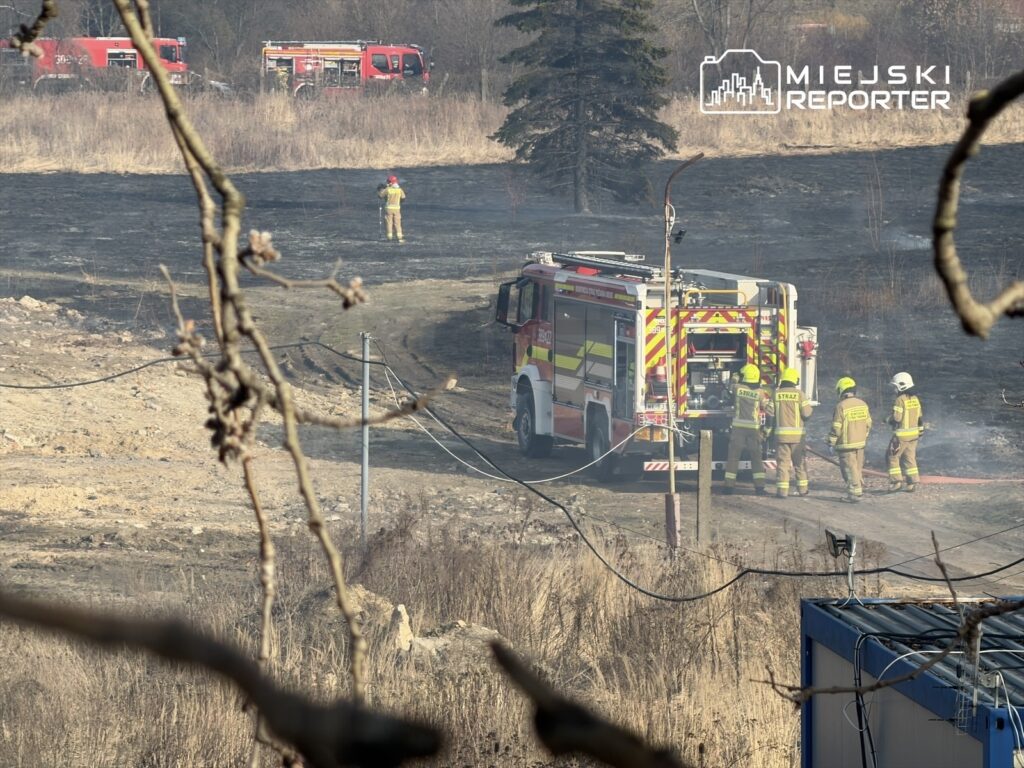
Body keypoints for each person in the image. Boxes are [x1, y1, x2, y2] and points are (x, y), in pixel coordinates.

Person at [724, 363, 770, 495]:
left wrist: (735, 377)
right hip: (754, 429)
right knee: (756, 457)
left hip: (738, 428)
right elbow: (768, 409)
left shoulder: (737, 388)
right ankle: (760, 487)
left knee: (733, 457)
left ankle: (728, 487)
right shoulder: (760, 393)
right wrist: (767, 429)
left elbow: (731, 387)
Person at [769, 367, 813, 498]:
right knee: (799, 464)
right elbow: (807, 414)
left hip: (781, 437)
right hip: (798, 438)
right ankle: (803, 490)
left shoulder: (776, 394)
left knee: (783, 464)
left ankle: (782, 492)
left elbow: (769, 412)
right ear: (795, 380)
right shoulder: (800, 394)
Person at [827, 376, 872, 503]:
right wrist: (863, 436)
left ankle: (854, 494)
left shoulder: (841, 406)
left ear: (841, 390)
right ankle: (858, 489)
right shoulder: (863, 404)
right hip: (860, 444)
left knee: (849, 470)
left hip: (846, 445)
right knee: (857, 469)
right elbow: (868, 423)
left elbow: (836, 427)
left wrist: (831, 442)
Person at [887, 371, 924, 492]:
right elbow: (919, 417)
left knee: (892, 457)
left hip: (901, 436)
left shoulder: (900, 400)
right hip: (914, 436)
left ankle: (896, 482)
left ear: (901, 386)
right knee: (909, 458)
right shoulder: (915, 399)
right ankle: (912, 483)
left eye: (895, 386)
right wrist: (920, 432)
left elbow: (897, 418)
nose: (894, 389)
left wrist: (887, 419)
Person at [377, 174, 406, 243]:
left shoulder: (388, 189)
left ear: (391, 182)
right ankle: (399, 237)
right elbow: (403, 198)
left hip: (388, 209)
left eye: (388, 182)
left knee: (389, 223)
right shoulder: (399, 190)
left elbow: (380, 196)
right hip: (397, 209)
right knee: (397, 223)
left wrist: (380, 189)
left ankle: (389, 237)